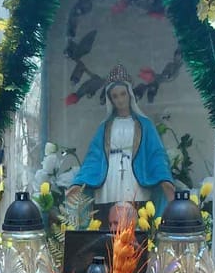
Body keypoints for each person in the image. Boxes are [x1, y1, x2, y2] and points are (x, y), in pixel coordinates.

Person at [67, 66, 175, 213]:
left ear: (129, 94)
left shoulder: (144, 125)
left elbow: (155, 154)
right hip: (110, 177)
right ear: (110, 99)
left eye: (123, 94)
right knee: (109, 216)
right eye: (115, 96)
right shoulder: (105, 127)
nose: (120, 99)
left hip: (135, 176)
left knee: (136, 216)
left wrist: (164, 179)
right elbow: (94, 157)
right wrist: (79, 183)